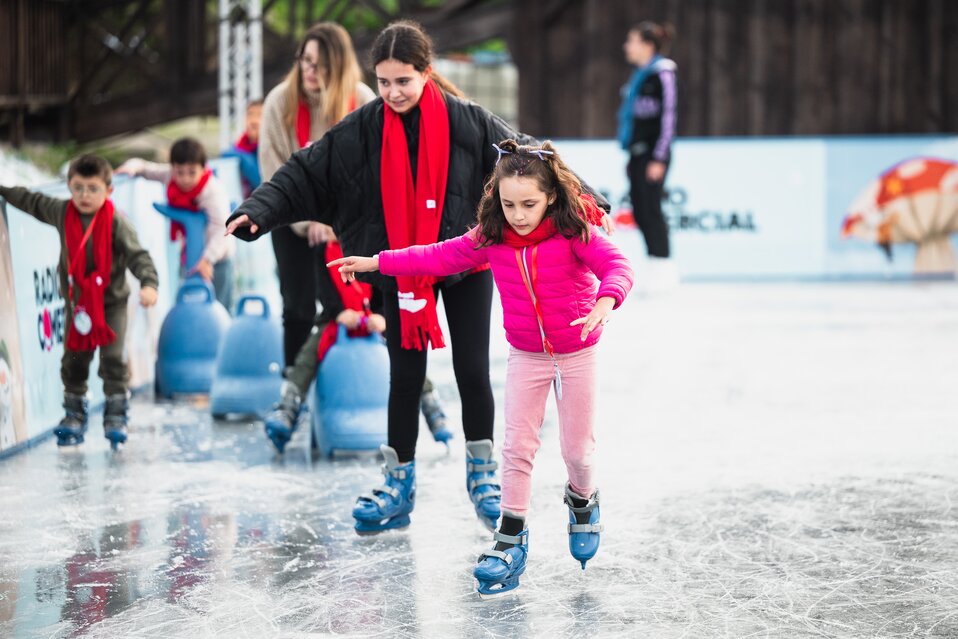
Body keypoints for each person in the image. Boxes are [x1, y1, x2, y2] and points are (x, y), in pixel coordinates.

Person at [226, 20, 613, 535]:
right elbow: (306, 170)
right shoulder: (362, 127)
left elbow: (529, 156)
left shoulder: (468, 121)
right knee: (404, 378)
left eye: (403, 81)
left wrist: (589, 200)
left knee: (472, 370)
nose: (392, 93)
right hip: (401, 268)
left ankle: (482, 475)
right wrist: (259, 208)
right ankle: (398, 482)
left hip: (465, 261)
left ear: (426, 73)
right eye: (383, 82)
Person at [328, 139, 634, 597]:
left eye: (529, 204)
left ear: (551, 196)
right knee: (516, 447)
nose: (518, 214)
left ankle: (582, 499)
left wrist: (606, 300)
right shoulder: (492, 238)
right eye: (509, 204)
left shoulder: (574, 232)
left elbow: (617, 264)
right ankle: (510, 536)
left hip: (577, 350)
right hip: (528, 354)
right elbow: (435, 255)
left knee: (578, 453)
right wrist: (376, 262)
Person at [0, 155, 159, 448]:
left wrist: (149, 283)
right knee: (74, 359)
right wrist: (4, 191)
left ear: (108, 191)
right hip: (78, 305)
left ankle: (115, 415)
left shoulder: (116, 222)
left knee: (112, 358)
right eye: (78, 188)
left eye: (92, 188)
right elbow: (31, 201)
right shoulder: (62, 211)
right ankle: (73, 414)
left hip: (112, 305)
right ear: (69, 187)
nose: (84, 196)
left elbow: (139, 256)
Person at [262, 227, 454, 454]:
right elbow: (323, 290)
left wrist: (381, 316)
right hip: (337, 322)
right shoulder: (323, 251)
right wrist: (338, 313)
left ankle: (431, 406)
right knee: (308, 354)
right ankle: (289, 406)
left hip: (372, 320)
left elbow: (384, 286)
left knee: (404, 352)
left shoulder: (368, 251)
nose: (331, 230)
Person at [258, 22, 376, 366]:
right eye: (305, 61)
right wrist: (308, 219)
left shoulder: (362, 101)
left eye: (320, 65)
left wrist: (335, 222)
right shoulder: (279, 103)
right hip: (291, 217)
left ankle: (358, 376)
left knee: (356, 303)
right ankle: (294, 387)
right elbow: (273, 174)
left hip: (349, 222)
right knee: (298, 304)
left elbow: (372, 175)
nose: (310, 71)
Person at [117, 137, 237, 311]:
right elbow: (146, 169)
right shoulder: (169, 177)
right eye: (179, 172)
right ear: (172, 167)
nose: (185, 179)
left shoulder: (213, 190)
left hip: (218, 259)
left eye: (191, 172)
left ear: (203, 168)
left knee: (220, 307)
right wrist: (132, 167)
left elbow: (222, 227)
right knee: (189, 304)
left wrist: (207, 259)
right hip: (189, 255)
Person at [619, 20, 678, 291]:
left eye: (631, 40)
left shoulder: (662, 74)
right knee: (641, 212)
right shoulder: (639, 75)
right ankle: (655, 264)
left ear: (647, 45)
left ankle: (664, 270)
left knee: (652, 210)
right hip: (637, 153)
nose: (627, 46)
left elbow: (668, 118)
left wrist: (660, 157)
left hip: (654, 155)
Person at [229, 99, 264, 196]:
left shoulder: (273, 149)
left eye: (260, 115)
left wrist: (244, 159)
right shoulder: (236, 149)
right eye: (250, 114)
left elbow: (263, 184)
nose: (254, 120)